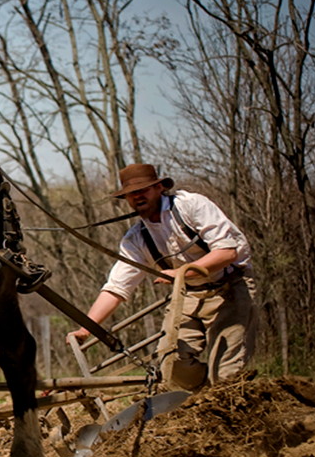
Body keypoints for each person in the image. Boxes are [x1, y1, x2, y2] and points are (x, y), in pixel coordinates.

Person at [68, 164, 258, 392]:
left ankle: (227, 399)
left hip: (229, 287)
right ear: (126, 198)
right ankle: (206, 397)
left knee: (226, 372)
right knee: (171, 363)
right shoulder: (136, 238)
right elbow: (116, 288)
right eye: (132, 193)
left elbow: (227, 252)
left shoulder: (191, 205)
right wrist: (86, 328)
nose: (138, 196)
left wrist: (181, 272)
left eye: (144, 190)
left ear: (159, 187)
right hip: (188, 295)